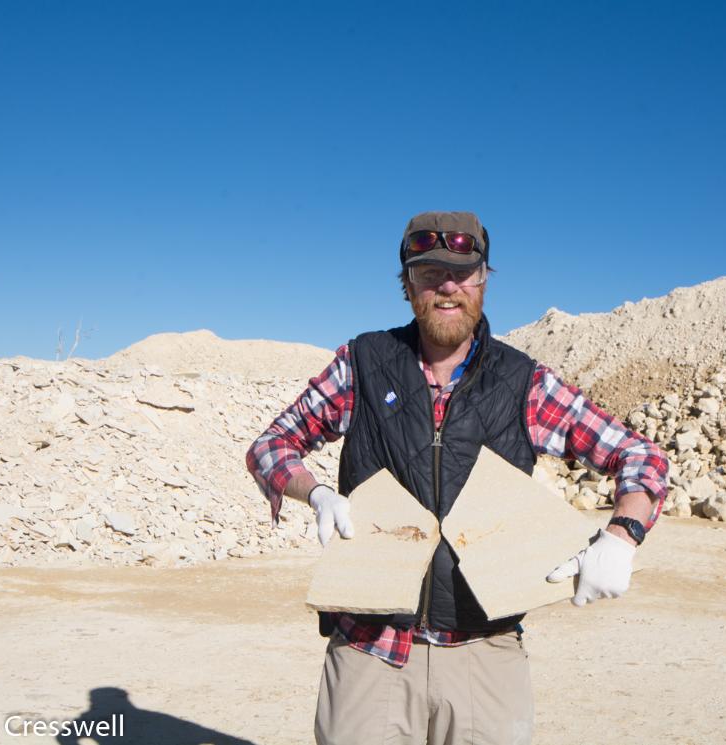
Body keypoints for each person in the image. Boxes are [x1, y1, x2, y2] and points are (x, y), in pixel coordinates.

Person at [245, 211, 669, 745]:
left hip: (484, 649)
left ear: (484, 278)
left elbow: (641, 458)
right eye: (429, 273)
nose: (447, 286)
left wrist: (621, 536)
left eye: (463, 272)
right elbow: (271, 446)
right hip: (369, 649)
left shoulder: (524, 383)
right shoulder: (363, 364)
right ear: (407, 283)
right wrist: (318, 492)